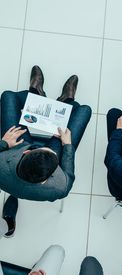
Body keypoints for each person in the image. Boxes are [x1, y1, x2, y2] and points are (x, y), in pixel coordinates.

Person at [0, 65, 92, 202]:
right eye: (53, 153)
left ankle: (36, 94)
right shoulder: (61, 187)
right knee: (84, 110)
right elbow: (68, 173)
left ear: (26, 153)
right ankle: (66, 101)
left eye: (47, 149)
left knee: (7, 96)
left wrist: (4, 143)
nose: (51, 150)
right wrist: (67, 145)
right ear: (45, 181)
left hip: (17, 147)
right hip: (30, 156)